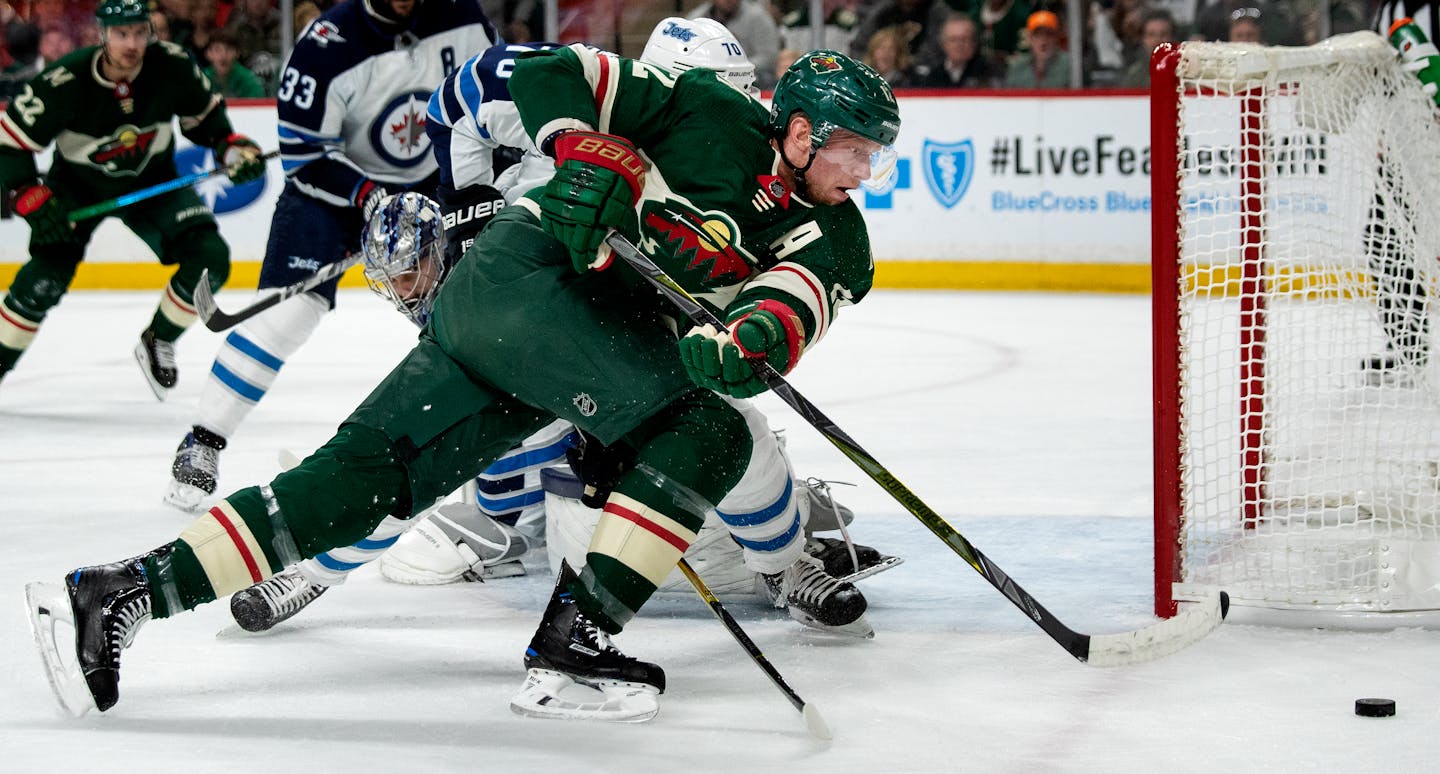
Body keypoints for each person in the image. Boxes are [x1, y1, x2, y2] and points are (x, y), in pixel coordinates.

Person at [26, 45, 900, 722]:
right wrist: (575, 146)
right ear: (798, 130)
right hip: (534, 284)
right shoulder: (703, 109)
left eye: (873, 159)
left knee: (351, 484)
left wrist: (746, 343)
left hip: (510, 318)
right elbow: (556, 71)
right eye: (853, 152)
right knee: (709, 434)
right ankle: (574, 647)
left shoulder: (837, 239)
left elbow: (790, 309)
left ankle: (121, 592)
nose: (862, 174)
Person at [227, 21, 895, 635]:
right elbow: (468, 94)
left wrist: (749, 332)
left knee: (733, 441)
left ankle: (780, 559)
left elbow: (772, 290)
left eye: (745, 95)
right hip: (546, 329)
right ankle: (323, 566)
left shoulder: (737, 176)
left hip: (635, 353)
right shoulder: (584, 129)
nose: (738, 117)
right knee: (429, 449)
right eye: (723, 94)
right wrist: (472, 204)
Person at [163, 0, 498, 512]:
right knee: (286, 315)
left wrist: (465, 187)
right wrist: (368, 196)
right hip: (333, 197)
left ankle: (498, 469)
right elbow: (304, 156)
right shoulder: (324, 47)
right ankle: (203, 441)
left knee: (470, 320)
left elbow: (494, 102)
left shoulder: (461, 15)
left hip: (435, 188)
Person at [0, 0, 264, 392]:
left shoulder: (172, 65)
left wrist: (232, 149)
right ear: (102, 35)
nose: (132, 44)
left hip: (152, 182)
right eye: (122, 34)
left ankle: (159, 340)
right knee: (42, 282)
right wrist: (27, 193)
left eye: (141, 33)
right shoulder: (64, 80)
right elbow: (10, 142)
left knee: (209, 256)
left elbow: (209, 124)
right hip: (76, 188)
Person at [1363, 1, 1440, 381]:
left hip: (1433, 144)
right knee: (1382, 239)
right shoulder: (1388, 8)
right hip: (1403, 146)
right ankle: (1407, 349)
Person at [687, 0, 781, 90]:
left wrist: (736, 68)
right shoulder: (696, 17)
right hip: (705, 76)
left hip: (750, 79)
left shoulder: (759, 17)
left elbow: (769, 57)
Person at [912, 13, 997, 88]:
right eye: (953, 39)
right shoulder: (933, 76)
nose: (959, 45)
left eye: (964, 39)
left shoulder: (990, 73)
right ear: (944, 44)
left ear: (974, 42)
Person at [1005, 9, 1071, 88]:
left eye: (1049, 34)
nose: (1044, 40)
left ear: (1056, 37)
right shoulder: (1017, 67)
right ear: (1030, 39)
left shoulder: (1070, 65)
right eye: (1038, 35)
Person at [1119, 8, 1177, 88]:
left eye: (1163, 34)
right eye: (1151, 35)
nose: (1157, 40)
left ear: (1172, 38)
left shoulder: (1186, 73)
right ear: (1143, 40)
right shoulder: (1134, 76)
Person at [203, 29, 266, 98]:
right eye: (217, 50)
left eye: (229, 50)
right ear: (208, 54)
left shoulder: (249, 81)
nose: (223, 56)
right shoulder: (202, 78)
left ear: (237, 53)